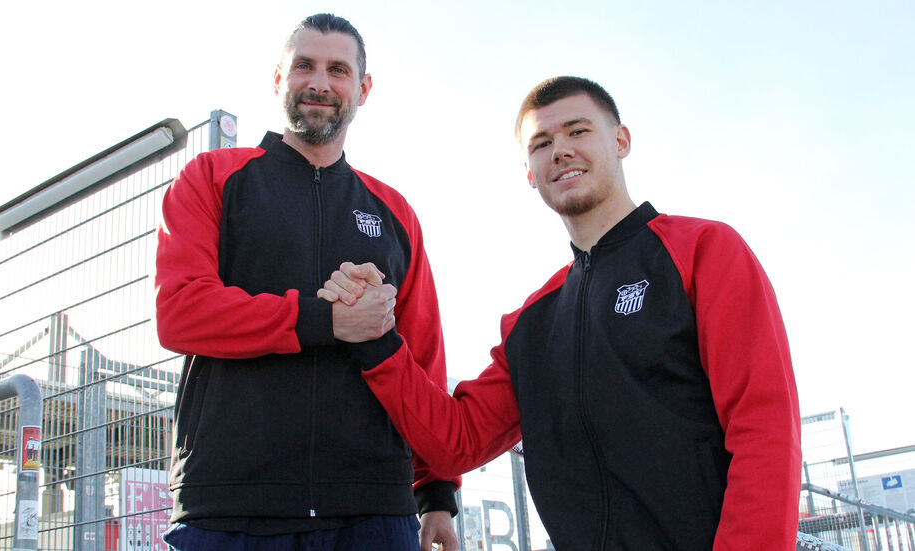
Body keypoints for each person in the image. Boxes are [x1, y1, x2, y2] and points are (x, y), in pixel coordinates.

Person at [321, 76, 802, 550]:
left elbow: (764, 429)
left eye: (578, 131)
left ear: (621, 140)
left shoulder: (704, 252)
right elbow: (457, 441)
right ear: (530, 173)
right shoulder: (534, 320)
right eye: (542, 143)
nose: (561, 150)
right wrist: (377, 338)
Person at [154, 13, 458, 551]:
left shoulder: (394, 212)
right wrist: (327, 320)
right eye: (304, 66)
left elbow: (424, 355)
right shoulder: (211, 177)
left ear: (363, 88)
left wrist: (436, 491)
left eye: (338, 69)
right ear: (278, 80)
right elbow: (180, 311)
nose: (320, 82)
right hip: (228, 504)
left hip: (371, 510)